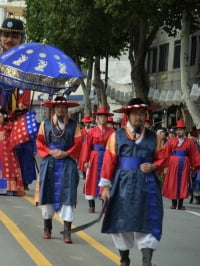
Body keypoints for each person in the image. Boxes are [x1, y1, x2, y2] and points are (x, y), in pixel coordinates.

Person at [99, 98, 165, 266]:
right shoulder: (116, 137)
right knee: (122, 221)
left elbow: (163, 159)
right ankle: (124, 259)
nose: (139, 117)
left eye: (142, 114)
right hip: (123, 184)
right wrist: (105, 187)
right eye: (135, 114)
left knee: (148, 221)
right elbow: (109, 162)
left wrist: (154, 166)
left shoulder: (154, 137)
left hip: (147, 185)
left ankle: (146, 261)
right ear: (127, 115)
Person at [36, 96, 82, 244]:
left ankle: (67, 232)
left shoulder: (74, 125)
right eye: (58, 107)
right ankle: (47, 228)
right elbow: (40, 142)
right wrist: (50, 152)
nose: (61, 110)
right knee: (47, 192)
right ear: (54, 109)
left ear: (67, 109)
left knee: (68, 194)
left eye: (64, 107)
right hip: (50, 162)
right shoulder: (45, 124)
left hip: (67, 163)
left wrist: (67, 153)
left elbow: (79, 144)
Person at [0, 18, 30, 114]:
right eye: (6, 35)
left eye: (14, 37)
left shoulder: (25, 63)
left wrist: (22, 103)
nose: (9, 40)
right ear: (0, 37)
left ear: (21, 39)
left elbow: (26, 89)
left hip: (16, 115)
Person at [81, 106, 114, 213]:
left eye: (105, 116)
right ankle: (91, 205)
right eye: (101, 117)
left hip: (107, 157)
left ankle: (105, 204)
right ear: (97, 118)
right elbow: (87, 146)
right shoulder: (91, 131)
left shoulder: (112, 132)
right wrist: (85, 161)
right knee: (91, 179)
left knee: (106, 178)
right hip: (94, 157)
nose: (103, 118)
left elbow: (114, 146)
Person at [162, 120, 200, 210]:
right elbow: (166, 153)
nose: (179, 131)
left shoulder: (189, 142)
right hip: (173, 164)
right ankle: (174, 203)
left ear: (184, 131)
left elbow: (194, 154)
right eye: (177, 130)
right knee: (173, 182)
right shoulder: (171, 141)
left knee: (183, 182)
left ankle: (181, 204)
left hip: (185, 164)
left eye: (181, 130)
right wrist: (165, 166)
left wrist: (194, 165)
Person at [78, 114, 93, 180]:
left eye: (88, 122)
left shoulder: (92, 130)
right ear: (84, 123)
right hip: (83, 147)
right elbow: (79, 140)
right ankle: (83, 173)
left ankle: (89, 173)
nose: (87, 124)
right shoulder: (81, 131)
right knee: (82, 160)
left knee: (89, 159)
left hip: (90, 146)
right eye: (86, 122)